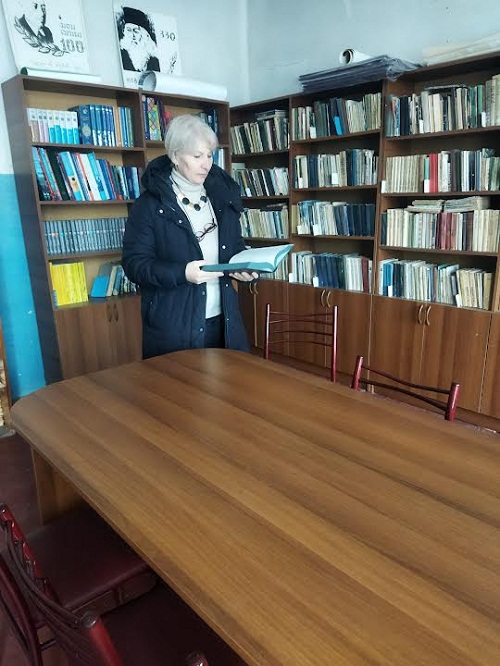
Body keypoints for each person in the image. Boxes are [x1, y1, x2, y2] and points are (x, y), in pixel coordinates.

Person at [122, 114, 257, 359]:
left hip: (224, 320)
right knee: (180, 384)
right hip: (175, 326)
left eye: (209, 155)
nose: (206, 165)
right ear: (175, 156)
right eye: (197, 156)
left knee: (231, 382)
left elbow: (234, 247)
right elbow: (135, 265)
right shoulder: (149, 205)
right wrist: (182, 273)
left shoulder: (222, 196)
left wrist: (243, 267)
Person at [116, 6, 160, 73]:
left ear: (143, 35)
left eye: (136, 31)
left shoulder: (154, 61)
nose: (132, 35)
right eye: (129, 30)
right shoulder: (121, 55)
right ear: (124, 31)